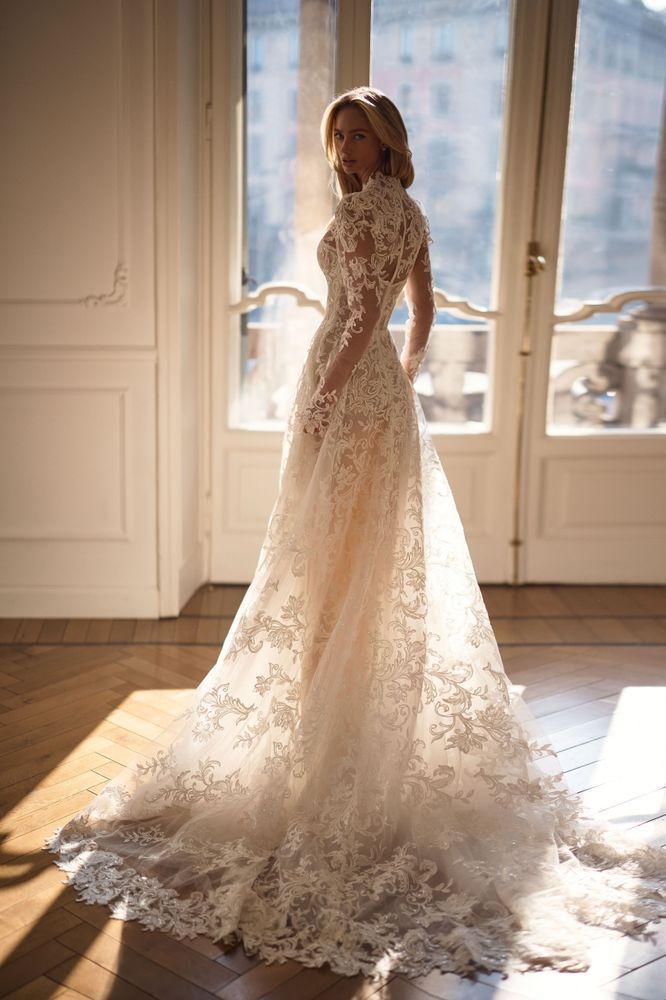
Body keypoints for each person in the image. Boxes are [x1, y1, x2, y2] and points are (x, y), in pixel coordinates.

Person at [46, 86, 666, 981]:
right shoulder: (403, 210)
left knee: (330, 556)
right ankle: (341, 714)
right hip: (371, 392)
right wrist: (396, 376)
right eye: (337, 134)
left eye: (359, 135)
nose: (343, 147)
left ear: (388, 145)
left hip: (347, 390)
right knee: (352, 555)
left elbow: (370, 309)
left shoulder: (381, 210)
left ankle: (335, 727)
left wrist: (337, 392)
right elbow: (425, 304)